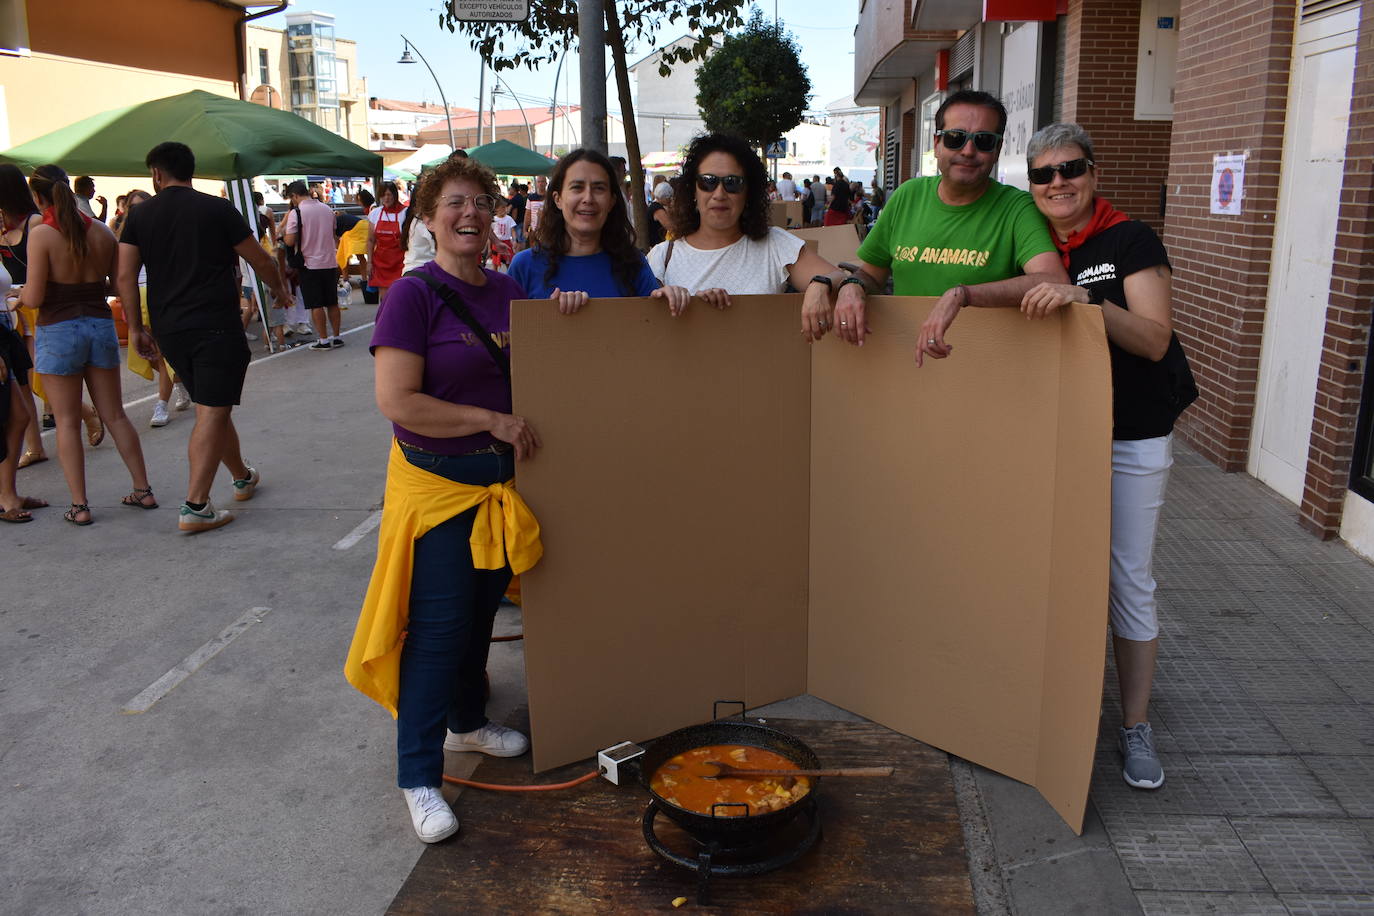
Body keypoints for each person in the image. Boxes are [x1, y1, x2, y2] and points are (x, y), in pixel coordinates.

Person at [347, 154, 543, 844]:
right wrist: (489, 422)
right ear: (427, 218)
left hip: (500, 488)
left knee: (479, 617)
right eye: (454, 204)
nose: (470, 214)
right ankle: (419, 778)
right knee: (433, 635)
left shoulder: (506, 289)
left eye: (480, 203)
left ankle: (467, 723)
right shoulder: (413, 295)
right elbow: (397, 401)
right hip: (438, 491)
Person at [1019, 123, 1197, 790]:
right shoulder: (1034, 244)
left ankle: (1134, 725)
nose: (1058, 182)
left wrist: (1087, 298)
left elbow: (1155, 341)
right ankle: (1052, 713)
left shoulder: (1130, 239)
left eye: (1071, 169)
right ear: (1031, 186)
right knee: (1052, 575)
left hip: (1131, 433)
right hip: (1057, 432)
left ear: (1093, 175)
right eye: (1044, 174)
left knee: (1127, 579)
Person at [118, 141, 292, 533]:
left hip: (170, 328)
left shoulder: (139, 216)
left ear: (157, 175)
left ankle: (242, 477)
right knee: (212, 411)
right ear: (190, 171)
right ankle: (195, 506)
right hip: (215, 324)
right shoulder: (217, 209)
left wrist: (134, 329)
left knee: (212, 406)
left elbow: (125, 276)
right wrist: (279, 289)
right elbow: (258, 258)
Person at [825, 89, 1067, 352]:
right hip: (904, 361)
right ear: (937, 143)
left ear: (997, 149)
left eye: (984, 140)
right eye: (955, 138)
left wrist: (962, 295)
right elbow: (871, 274)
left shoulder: (1018, 208)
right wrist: (853, 285)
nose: (968, 150)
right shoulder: (908, 196)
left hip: (986, 368)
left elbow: (1053, 280)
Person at [23, 165, 155, 526]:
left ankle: (80, 506)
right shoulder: (99, 231)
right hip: (99, 325)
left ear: (38, 197)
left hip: (59, 328)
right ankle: (143, 489)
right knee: (115, 414)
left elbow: (34, 297)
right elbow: (117, 283)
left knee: (66, 422)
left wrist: (19, 295)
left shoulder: (42, 234)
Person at [646, 133, 844, 320]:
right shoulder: (663, 257)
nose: (719, 194)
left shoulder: (775, 245)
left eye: (732, 183)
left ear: (749, 192)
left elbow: (839, 278)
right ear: (693, 190)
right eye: (708, 182)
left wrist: (821, 284)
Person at [509, 149, 672, 311]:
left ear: (612, 201)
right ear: (558, 199)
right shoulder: (524, 267)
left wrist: (672, 300)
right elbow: (505, 334)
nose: (588, 198)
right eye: (577, 188)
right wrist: (550, 318)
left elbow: (654, 330)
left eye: (599, 188)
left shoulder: (633, 263)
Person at [0, 163, 50, 467]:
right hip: (12, 309)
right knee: (23, 382)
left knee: (37, 378)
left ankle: (87, 413)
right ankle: (35, 447)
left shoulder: (35, 222)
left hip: (33, 303)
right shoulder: (5, 224)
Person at [0, 240, 45, 521]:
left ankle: (8, 493)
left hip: (5, 329)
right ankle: (6, 495)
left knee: (17, 416)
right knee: (16, 415)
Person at [283, 180, 344, 350]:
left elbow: (290, 240)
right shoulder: (327, 209)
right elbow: (333, 235)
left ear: (294, 195)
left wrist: (282, 234)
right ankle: (337, 337)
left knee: (316, 304)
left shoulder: (297, 212)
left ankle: (323, 340)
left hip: (310, 264)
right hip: (330, 261)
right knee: (332, 302)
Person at [366, 181, 407, 308]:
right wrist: (369, 262)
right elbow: (370, 240)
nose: (387, 198)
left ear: (395, 195)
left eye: (389, 194)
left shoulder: (405, 213)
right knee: (385, 300)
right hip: (381, 263)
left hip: (400, 262)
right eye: (383, 195)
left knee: (400, 298)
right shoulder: (375, 213)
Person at [646, 180, 672, 247]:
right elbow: (671, 227)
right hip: (655, 244)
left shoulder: (653, 206)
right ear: (663, 197)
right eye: (668, 197)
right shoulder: (657, 209)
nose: (670, 199)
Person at [523, 176, 548, 245]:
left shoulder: (550, 197)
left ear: (546, 183)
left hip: (548, 230)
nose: (540, 184)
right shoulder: (531, 197)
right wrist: (525, 230)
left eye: (542, 181)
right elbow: (527, 214)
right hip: (534, 230)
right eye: (539, 182)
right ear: (536, 184)